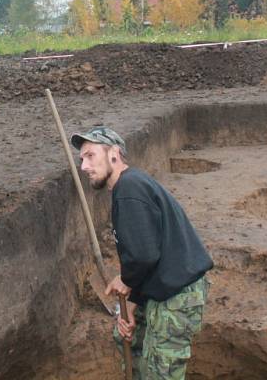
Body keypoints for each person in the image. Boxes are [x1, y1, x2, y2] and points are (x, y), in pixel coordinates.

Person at [71, 127, 213, 379]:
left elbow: (144, 256)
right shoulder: (129, 187)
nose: (84, 166)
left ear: (114, 154)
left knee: (161, 372)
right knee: (126, 337)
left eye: (90, 155)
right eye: (82, 159)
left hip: (178, 295)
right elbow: (146, 254)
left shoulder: (130, 189)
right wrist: (133, 305)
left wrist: (124, 281)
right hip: (162, 289)